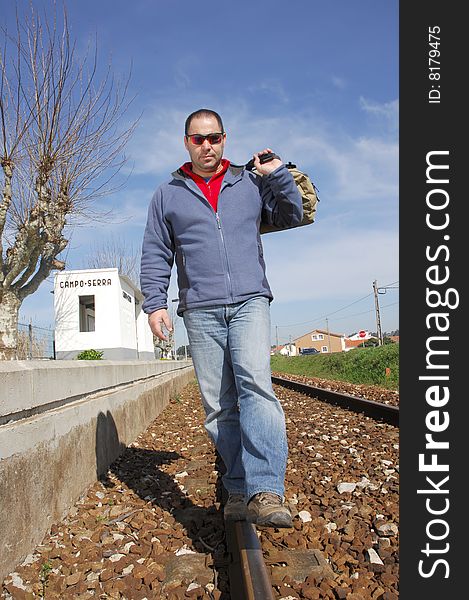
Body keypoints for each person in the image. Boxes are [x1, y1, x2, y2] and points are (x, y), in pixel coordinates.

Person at [140, 108, 302, 528]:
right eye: (198, 139)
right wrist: (155, 303)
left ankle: (266, 490)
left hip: (250, 300)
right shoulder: (167, 194)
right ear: (186, 143)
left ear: (225, 139)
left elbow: (291, 215)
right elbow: (156, 251)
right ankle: (235, 487)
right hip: (200, 308)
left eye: (214, 138)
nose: (206, 145)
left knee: (256, 388)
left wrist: (277, 175)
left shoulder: (249, 182)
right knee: (218, 407)